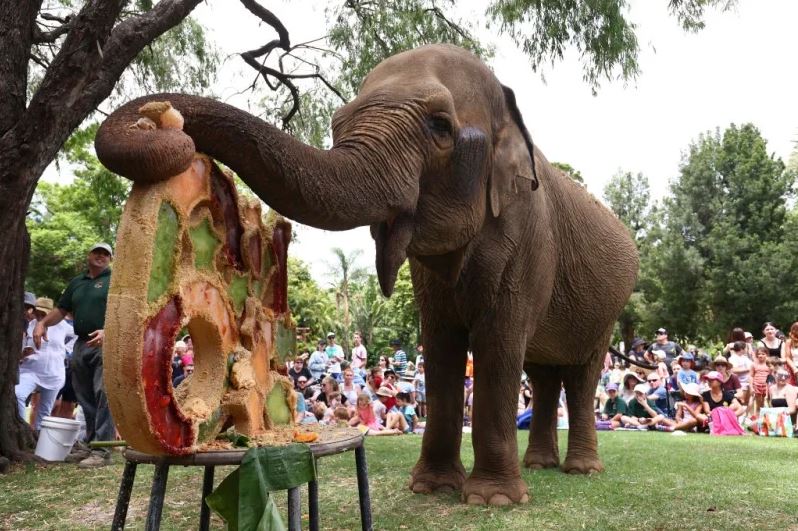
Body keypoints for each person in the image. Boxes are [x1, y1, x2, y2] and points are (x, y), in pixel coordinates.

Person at [33, 242, 115, 468]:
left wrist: (110, 330)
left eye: (105, 254)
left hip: (106, 342)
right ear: (89, 255)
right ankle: (90, 445)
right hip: (81, 343)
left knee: (103, 393)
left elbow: (127, 311)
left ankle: (103, 449)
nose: (101, 256)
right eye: (97, 252)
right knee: (84, 396)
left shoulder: (116, 281)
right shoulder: (77, 282)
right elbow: (61, 310)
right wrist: (42, 324)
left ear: (110, 258)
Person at [16, 297, 76, 431]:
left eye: (43, 313)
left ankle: (38, 437)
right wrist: (23, 353)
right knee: (18, 394)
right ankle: (21, 429)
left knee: (45, 410)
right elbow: (21, 347)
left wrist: (67, 350)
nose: (39, 315)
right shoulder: (30, 325)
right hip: (30, 370)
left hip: (53, 372)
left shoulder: (63, 326)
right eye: (37, 312)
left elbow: (78, 334)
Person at [750, 346, 771, 413]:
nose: (760, 356)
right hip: (757, 385)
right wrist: (751, 387)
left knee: (768, 403)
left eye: (763, 354)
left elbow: (772, 376)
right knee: (759, 405)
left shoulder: (769, 364)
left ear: (766, 355)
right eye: (759, 354)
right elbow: (751, 376)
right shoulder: (753, 364)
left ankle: (768, 420)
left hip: (767, 386)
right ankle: (758, 420)